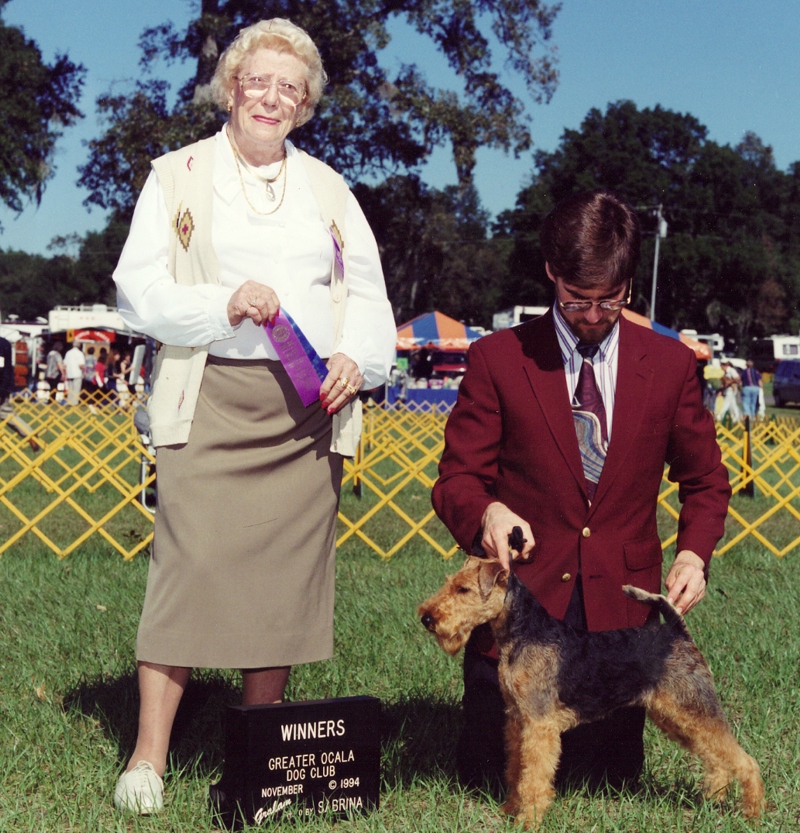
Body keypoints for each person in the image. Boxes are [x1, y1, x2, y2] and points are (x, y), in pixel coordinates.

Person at [111, 18, 395, 815]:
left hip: (307, 414)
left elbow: (368, 298)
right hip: (207, 401)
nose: (270, 96)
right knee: (187, 573)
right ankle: (147, 757)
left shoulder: (331, 189)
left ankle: (261, 747)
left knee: (282, 586)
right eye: (256, 81)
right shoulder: (177, 175)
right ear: (230, 87)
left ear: (305, 107)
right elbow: (138, 288)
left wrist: (356, 359)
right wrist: (221, 302)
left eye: (289, 87)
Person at [431, 190, 731, 793]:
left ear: (628, 284)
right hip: (520, 628)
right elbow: (456, 479)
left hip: (620, 644)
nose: (593, 315)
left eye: (609, 301)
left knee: (608, 789)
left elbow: (705, 481)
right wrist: (486, 508)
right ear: (551, 273)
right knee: (490, 787)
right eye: (576, 299)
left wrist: (695, 552)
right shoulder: (497, 358)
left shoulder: (671, 366)